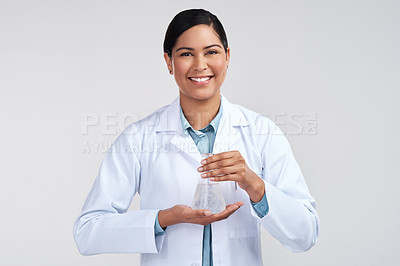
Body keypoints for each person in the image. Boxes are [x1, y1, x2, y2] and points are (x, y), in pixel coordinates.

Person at [73, 8, 319, 266]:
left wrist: (254, 185)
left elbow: (305, 234)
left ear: (227, 56)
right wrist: (164, 218)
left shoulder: (262, 133)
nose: (200, 65)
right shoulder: (138, 138)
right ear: (169, 62)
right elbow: (88, 232)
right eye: (186, 54)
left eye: (211, 52)